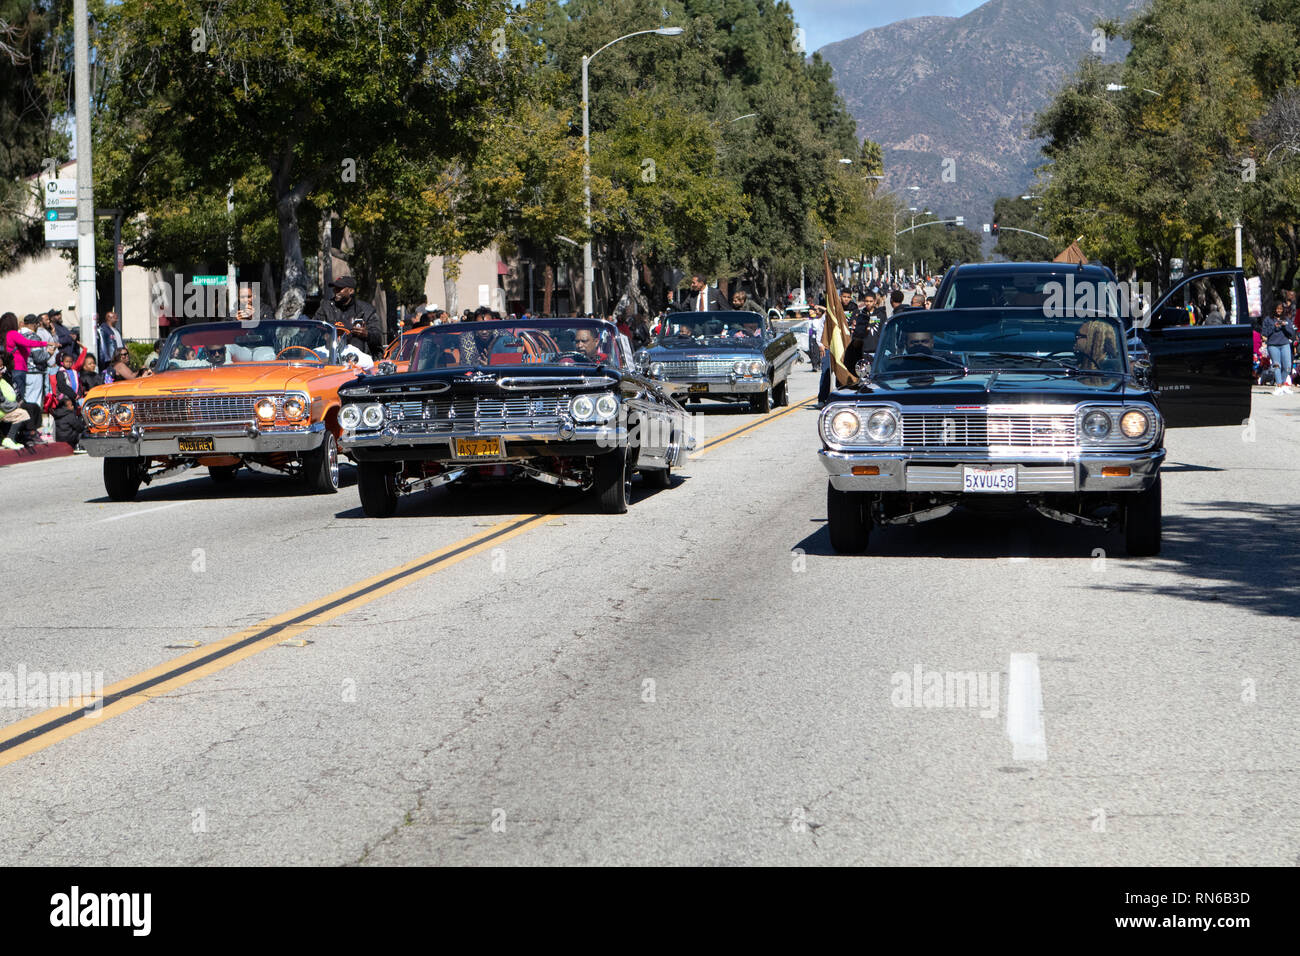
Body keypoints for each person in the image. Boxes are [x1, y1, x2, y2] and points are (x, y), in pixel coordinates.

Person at [314, 275, 382, 356]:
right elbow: (313, 330)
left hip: (358, 361)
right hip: (329, 358)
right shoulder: (326, 307)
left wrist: (366, 334)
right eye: (335, 288)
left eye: (339, 288)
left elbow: (377, 338)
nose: (336, 291)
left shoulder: (367, 310)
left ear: (351, 291)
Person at [1261, 299, 1296, 394]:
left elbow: (1291, 333)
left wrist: (1284, 326)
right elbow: (1264, 334)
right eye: (1277, 309)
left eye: (1281, 309)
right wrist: (1274, 327)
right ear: (1274, 309)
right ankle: (1279, 386)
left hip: (1285, 344)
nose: (1279, 311)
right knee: (1277, 365)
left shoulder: (1286, 319)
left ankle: (1283, 384)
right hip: (1273, 345)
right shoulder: (1268, 320)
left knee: (1288, 366)